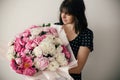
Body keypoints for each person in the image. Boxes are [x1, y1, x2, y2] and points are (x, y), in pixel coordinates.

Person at [55, 0, 94, 80]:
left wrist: (52, 69)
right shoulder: (55, 28)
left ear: (77, 13)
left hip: (71, 77)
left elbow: (78, 68)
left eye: (68, 13)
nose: (63, 16)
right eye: (62, 12)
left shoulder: (86, 34)